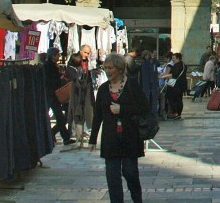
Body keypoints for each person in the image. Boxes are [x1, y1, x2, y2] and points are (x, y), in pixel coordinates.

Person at [89, 53, 149, 203]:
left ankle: (137, 199)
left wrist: (122, 109)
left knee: (130, 173)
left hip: (130, 138)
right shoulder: (103, 89)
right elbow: (98, 115)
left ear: (120, 68)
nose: (108, 71)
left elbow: (144, 107)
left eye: (111, 68)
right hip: (111, 139)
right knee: (112, 178)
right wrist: (92, 139)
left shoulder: (132, 85)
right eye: (106, 68)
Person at [42, 46, 75, 145]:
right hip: (52, 95)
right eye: (58, 55)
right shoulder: (49, 66)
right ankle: (61, 137)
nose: (59, 56)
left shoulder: (49, 65)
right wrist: (60, 79)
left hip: (51, 95)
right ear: (53, 56)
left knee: (59, 117)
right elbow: (51, 81)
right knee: (59, 117)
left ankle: (61, 136)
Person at [66, 52, 93, 143]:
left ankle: (78, 135)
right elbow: (79, 84)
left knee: (77, 114)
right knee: (74, 114)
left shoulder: (77, 70)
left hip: (78, 96)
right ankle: (75, 135)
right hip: (74, 96)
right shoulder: (73, 71)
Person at [161, 53, 186, 119]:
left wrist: (163, 76)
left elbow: (174, 74)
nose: (172, 59)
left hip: (176, 85)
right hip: (180, 85)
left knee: (174, 99)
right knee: (179, 99)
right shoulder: (183, 64)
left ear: (178, 58)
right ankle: (178, 113)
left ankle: (176, 113)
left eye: (174, 58)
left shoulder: (177, 65)